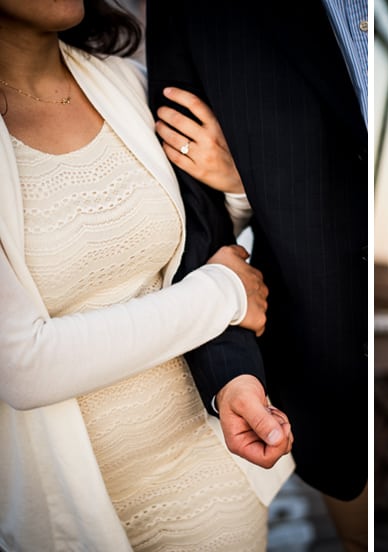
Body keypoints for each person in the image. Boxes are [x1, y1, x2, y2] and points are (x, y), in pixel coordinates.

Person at [0, 1, 293, 549]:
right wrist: (223, 293)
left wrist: (231, 183)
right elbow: (21, 364)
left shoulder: (130, 85)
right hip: (69, 513)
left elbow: (193, 241)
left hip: (209, 469)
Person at [144, 2, 368, 548]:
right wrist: (232, 374)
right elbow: (193, 216)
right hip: (327, 376)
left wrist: (253, 178)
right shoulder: (198, 15)